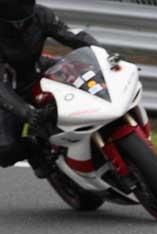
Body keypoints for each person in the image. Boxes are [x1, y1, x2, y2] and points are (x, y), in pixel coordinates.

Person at [0, 0, 98, 175]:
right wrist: (26, 112)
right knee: (5, 150)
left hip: (38, 70)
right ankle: (33, 147)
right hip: (7, 92)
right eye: (13, 20)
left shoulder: (41, 14)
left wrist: (102, 53)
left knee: (93, 81)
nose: (19, 23)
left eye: (22, 17)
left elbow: (72, 36)